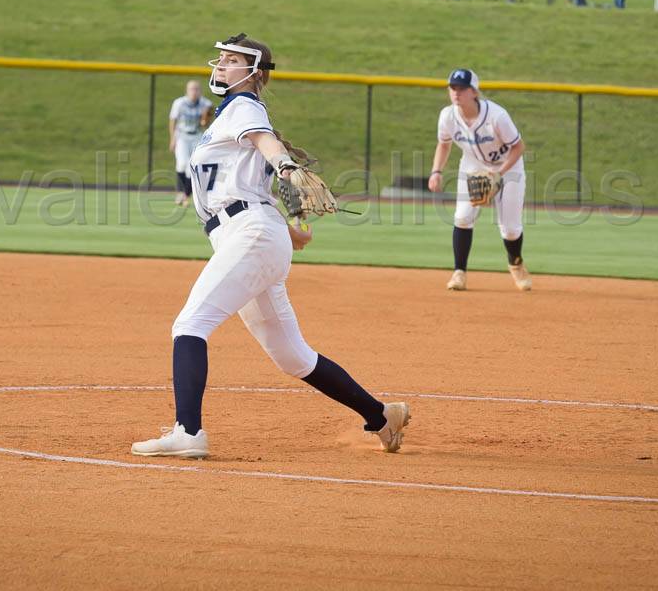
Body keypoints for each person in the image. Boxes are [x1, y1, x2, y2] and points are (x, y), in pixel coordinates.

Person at [132, 33, 411, 459]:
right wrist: (291, 234)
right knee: (292, 357)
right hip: (254, 234)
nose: (221, 64)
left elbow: (268, 145)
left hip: (249, 233)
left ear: (254, 73)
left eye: (232, 60)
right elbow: (250, 180)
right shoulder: (227, 117)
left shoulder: (245, 108)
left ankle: (188, 432)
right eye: (221, 58)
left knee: (190, 324)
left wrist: (284, 163)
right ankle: (381, 415)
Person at [427, 68, 531, 293]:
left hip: (508, 168)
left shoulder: (497, 116)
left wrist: (498, 175)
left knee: (510, 229)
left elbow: (518, 147)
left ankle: (516, 263)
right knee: (462, 217)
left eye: (462, 88)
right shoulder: (448, 116)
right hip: (473, 166)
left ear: (474, 91)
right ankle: (459, 273)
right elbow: (443, 144)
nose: (456, 92)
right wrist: (436, 171)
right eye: (452, 88)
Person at [168, 80, 214, 206]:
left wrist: (205, 121)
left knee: (191, 166)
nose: (194, 92)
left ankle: (184, 195)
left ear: (200, 91)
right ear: (187, 91)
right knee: (182, 163)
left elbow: (207, 125)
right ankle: (180, 193)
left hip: (197, 137)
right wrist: (172, 138)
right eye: (191, 89)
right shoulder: (179, 103)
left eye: (196, 89)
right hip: (182, 136)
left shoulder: (206, 104)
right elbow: (173, 120)